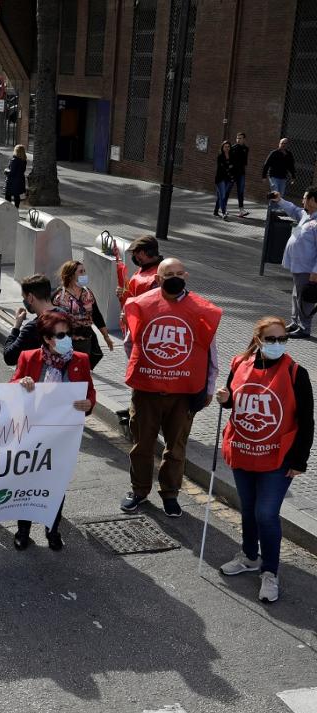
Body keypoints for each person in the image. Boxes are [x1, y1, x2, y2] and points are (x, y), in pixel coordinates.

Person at [216, 316, 313, 603]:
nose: (278, 344)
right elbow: (236, 399)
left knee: (266, 514)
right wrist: (225, 400)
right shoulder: (239, 363)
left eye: (283, 339)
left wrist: (300, 461)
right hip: (244, 449)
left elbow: (306, 420)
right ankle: (249, 556)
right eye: (271, 339)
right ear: (258, 340)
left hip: (277, 457)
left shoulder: (297, 372)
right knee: (248, 509)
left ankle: (270, 571)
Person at [121, 258, 222, 518]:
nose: (175, 278)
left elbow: (211, 353)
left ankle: (170, 494)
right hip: (147, 392)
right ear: (158, 278)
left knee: (176, 449)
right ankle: (139, 490)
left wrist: (208, 387)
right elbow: (131, 343)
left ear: (186, 276)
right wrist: (145, 370)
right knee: (142, 444)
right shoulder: (142, 305)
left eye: (179, 273)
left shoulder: (201, 309)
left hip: (183, 394)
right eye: (169, 274)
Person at [10, 311, 97, 551]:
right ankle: (23, 530)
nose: (67, 338)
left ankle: (53, 529)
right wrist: (21, 384)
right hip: (31, 434)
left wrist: (89, 404)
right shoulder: (29, 357)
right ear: (48, 338)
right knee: (27, 483)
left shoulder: (80, 359)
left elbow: (89, 391)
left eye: (69, 334)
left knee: (56, 485)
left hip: (63, 436)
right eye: (61, 335)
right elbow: (11, 388)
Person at [270, 187, 317, 339]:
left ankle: (305, 328)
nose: (302, 200)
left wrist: (315, 272)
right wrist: (279, 200)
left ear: (312, 201)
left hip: (308, 268)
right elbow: (293, 209)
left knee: (305, 298)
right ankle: (296, 323)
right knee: (296, 295)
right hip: (298, 265)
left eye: (305, 198)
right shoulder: (305, 214)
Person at [53, 260, 115, 369]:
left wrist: (106, 336)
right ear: (71, 275)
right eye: (81, 272)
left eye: (84, 271)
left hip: (85, 341)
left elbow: (96, 315)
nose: (84, 274)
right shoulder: (59, 295)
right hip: (65, 341)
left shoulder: (88, 293)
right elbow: (48, 317)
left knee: (81, 371)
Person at [3, 273, 57, 367]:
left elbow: (9, 357)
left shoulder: (32, 328)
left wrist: (16, 326)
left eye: (24, 298)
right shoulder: (65, 316)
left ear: (30, 298)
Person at [229, 132, 249, 217]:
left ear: (244, 139)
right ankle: (222, 208)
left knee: (240, 192)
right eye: (237, 138)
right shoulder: (233, 148)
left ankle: (241, 210)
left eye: (240, 138)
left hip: (241, 174)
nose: (238, 140)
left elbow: (245, 162)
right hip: (233, 174)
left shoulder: (246, 149)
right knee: (227, 190)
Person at [214, 141, 234, 220]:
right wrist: (229, 166)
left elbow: (233, 166)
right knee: (223, 196)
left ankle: (215, 211)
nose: (227, 148)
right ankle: (223, 213)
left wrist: (229, 167)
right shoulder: (220, 156)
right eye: (225, 146)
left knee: (220, 196)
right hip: (220, 179)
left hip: (228, 179)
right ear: (222, 147)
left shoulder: (231, 156)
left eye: (228, 146)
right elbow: (223, 168)